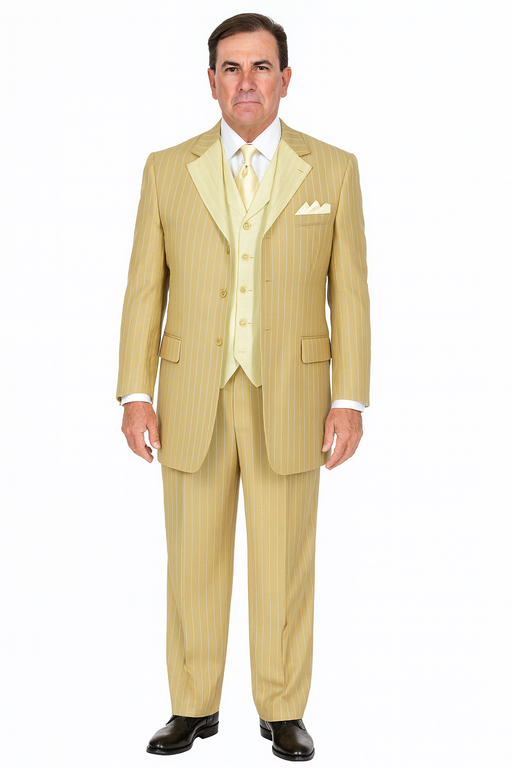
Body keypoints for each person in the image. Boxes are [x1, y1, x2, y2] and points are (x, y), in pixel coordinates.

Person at [116, 12, 370, 761]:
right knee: (192, 557)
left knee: (285, 559)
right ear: (211, 81)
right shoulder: (167, 168)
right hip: (191, 392)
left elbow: (351, 292)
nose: (247, 82)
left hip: (293, 393)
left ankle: (283, 708)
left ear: (286, 80)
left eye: (262, 67)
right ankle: (192, 705)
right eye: (231, 67)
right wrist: (135, 391)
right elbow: (144, 288)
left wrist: (349, 398)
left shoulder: (334, 169)